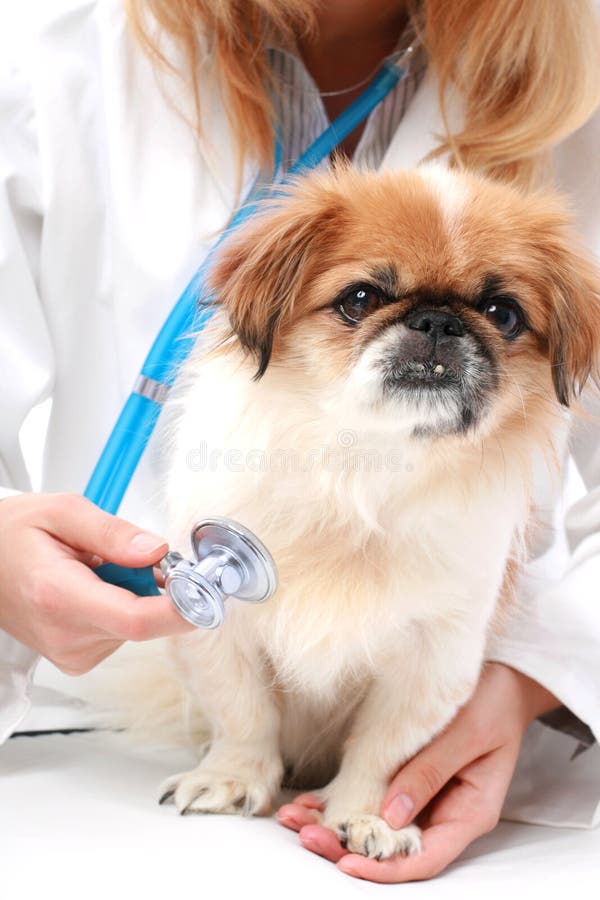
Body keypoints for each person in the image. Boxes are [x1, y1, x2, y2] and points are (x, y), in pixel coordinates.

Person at [1, 0, 599, 884]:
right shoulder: (49, 47)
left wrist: (535, 675)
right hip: (96, 769)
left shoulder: (578, 87)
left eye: (497, 313)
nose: (434, 334)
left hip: (485, 792)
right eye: (364, 300)